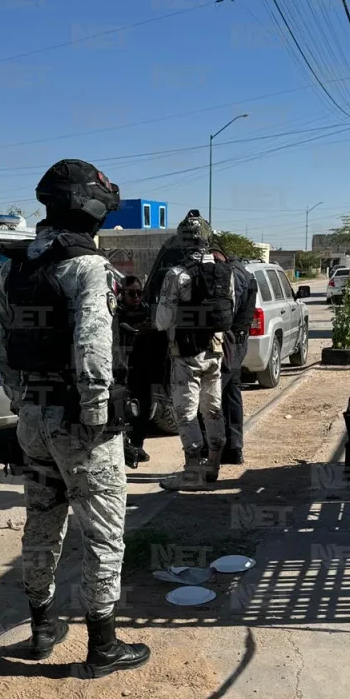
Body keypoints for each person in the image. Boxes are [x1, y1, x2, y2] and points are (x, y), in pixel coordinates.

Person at [0, 158, 150, 678]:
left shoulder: (11, 268)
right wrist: (95, 413)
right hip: (78, 424)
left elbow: (5, 352)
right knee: (103, 533)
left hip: (33, 422)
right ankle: (103, 646)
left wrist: (22, 405)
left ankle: (41, 627)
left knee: (42, 525)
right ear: (90, 209)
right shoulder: (87, 268)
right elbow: (92, 350)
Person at [154, 210, 234, 490]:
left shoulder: (177, 274)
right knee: (213, 409)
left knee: (185, 413)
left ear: (181, 240)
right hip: (216, 350)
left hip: (186, 354)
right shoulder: (226, 272)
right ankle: (213, 467)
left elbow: (163, 322)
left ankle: (191, 474)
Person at [213, 246, 257, 465]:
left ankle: (214, 450)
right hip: (238, 341)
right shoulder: (244, 272)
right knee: (231, 394)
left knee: (213, 396)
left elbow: (227, 311)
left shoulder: (232, 274)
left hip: (229, 342)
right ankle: (234, 448)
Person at [114, 275, 157, 467]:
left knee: (144, 409)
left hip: (144, 367)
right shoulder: (116, 313)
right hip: (122, 368)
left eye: (139, 293)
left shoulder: (147, 311)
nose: (136, 297)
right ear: (122, 294)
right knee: (122, 409)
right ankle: (123, 447)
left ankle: (137, 445)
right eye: (132, 293)